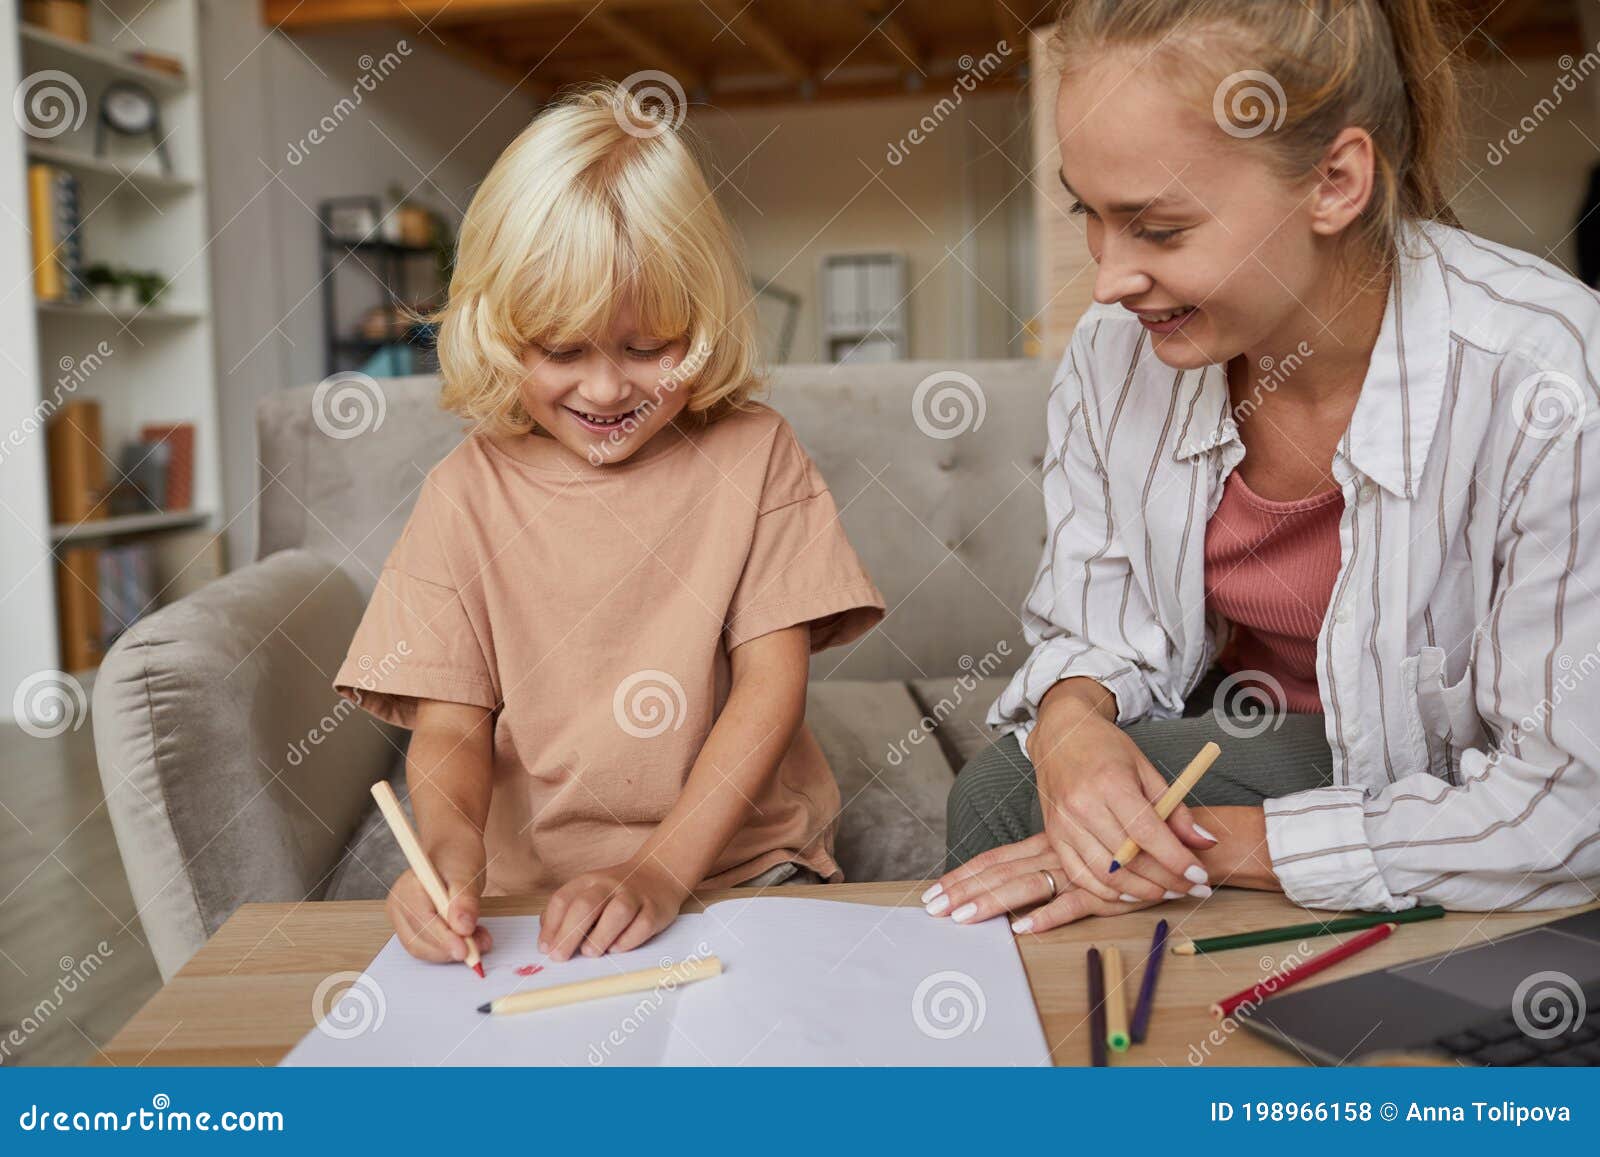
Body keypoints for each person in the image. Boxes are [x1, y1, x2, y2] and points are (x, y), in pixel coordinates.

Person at [929, 0, 1600, 934]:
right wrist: (1070, 729)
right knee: (1008, 788)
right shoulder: (1112, 353)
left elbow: (1570, 813)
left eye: (1157, 228)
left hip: (1443, 800)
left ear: (1335, 182)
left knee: (1016, 817)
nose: (1108, 278)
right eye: (1090, 214)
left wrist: (1208, 843)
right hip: (1248, 738)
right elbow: (1099, 627)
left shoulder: (1549, 375)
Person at [333, 84, 884, 965]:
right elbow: (449, 730)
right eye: (561, 351)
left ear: (702, 324)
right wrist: (448, 858)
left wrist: (661, 872)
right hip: (530, 898)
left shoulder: (756, 454)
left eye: (645, 348)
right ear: (498, 329)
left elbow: (768, 693)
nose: (603, 391)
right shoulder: (463, 493)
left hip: (742, 871)